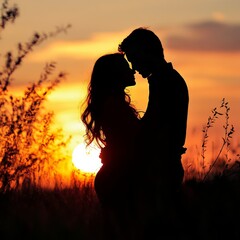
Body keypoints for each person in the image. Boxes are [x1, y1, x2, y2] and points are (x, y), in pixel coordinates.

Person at [118, 27, 189, 238]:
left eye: (134, 59)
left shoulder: (164, 81)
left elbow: (153, 125)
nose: (134, 67)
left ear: (146, 52)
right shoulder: (165, 79)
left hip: (161, 167)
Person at [81, 53, 141, 239]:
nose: (132, 70)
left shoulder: (113, 103)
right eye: (125, 67)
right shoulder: (113, 105)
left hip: (117, 175)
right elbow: (129, 142)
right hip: (118, 178)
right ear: (114, 73)